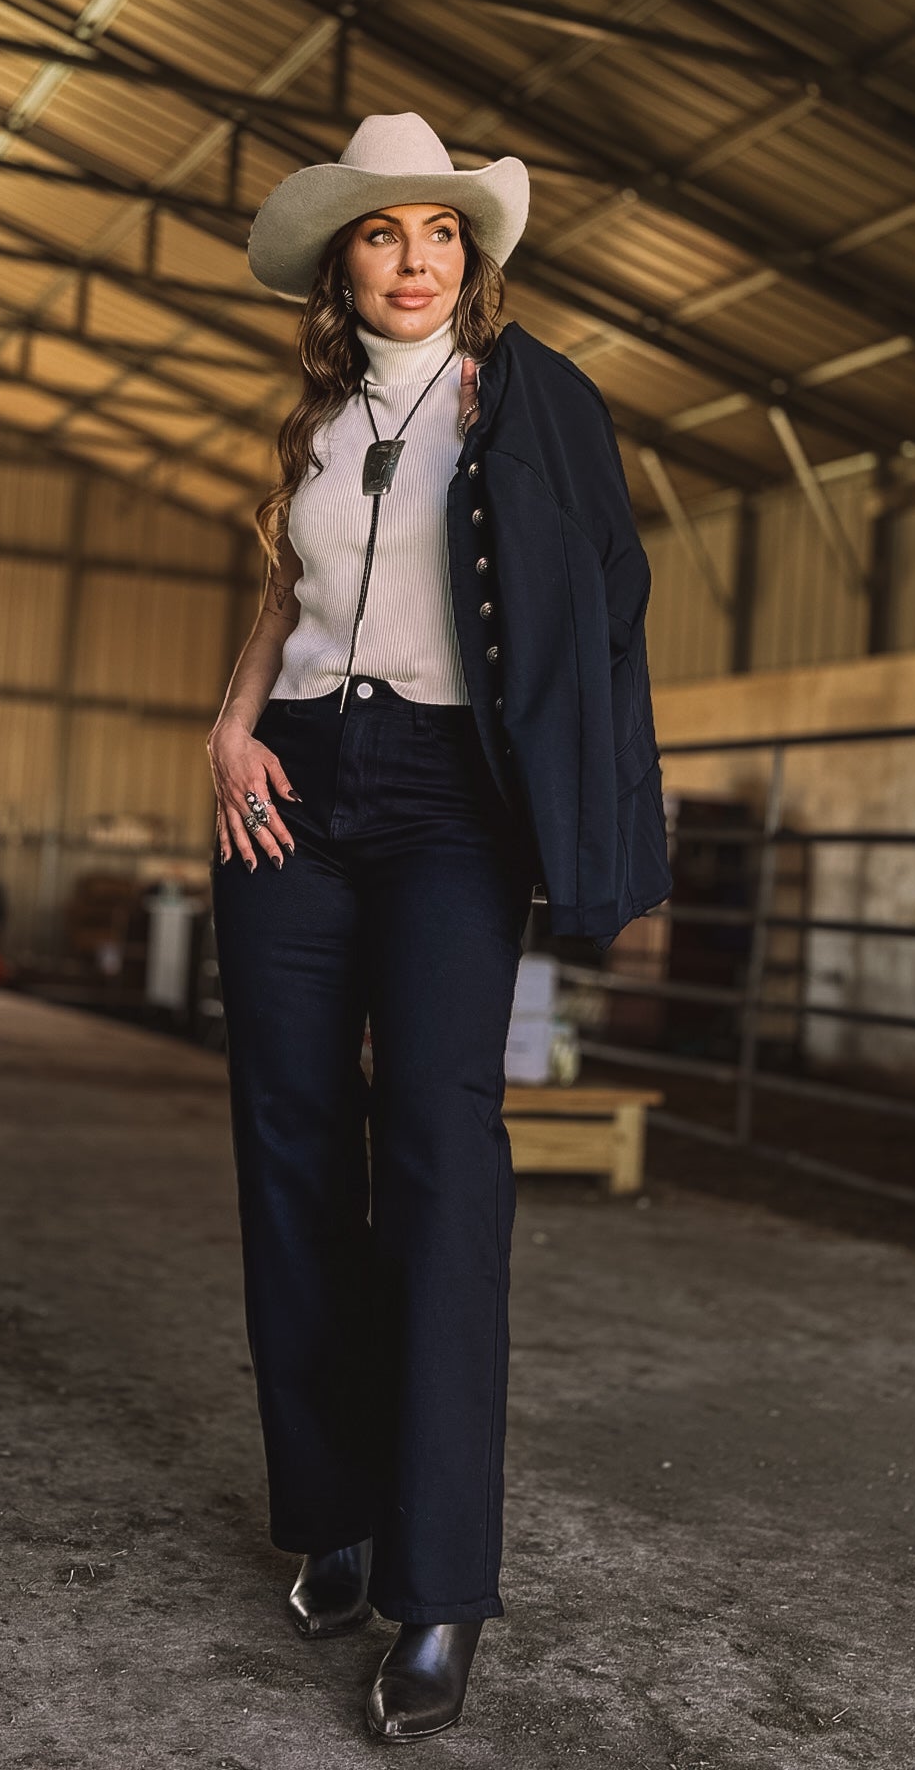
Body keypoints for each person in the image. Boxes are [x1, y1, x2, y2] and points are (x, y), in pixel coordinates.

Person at [206, 112, 670, 1742]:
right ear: (343, 258)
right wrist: (232, 719)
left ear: (470, 260)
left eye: (442, 235)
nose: (417, 260)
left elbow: (606, 607)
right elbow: (288, 588)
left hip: (446, 802)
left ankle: (442, 1586)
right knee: (284, 1136)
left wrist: (585, 805)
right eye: (386, 234)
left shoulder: (531, 405)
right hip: (295, 789)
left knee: (441, 1150)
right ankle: (330, 1512)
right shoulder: (319, 418)